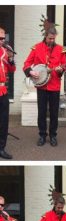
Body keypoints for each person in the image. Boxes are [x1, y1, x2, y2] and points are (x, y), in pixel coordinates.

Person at [23, 24, 66, 147]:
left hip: (54, 86)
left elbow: (64, 66)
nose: (52, 41)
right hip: (41, 87)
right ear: (45, 36)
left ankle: (53, 135)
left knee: (54, 113)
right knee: (41, 112)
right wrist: (30, 72)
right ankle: (42, 135)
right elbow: (26, 63)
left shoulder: (61, 49)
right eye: (50, 38)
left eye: (54, 39)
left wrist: (60, 70)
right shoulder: (36, 48)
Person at [0, 27, 16, 160]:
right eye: (0, 38)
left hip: (3, 91)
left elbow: (12, 69)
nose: (2, 40)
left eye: (4, 38)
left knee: (4, 121)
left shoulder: (5, 51)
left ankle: (1, 148)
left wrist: (11, 59)